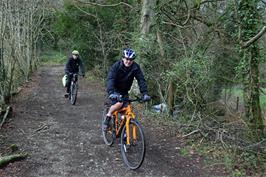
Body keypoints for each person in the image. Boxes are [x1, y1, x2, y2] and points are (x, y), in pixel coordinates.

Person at [103, 48, 151, 129]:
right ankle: (108, 116)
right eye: (127, 59)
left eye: (131, 59)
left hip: (125, 91)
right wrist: (111, 92)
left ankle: (124, 133)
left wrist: (145, 93)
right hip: (114, 90)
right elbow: (110, 79)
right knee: (119, 103)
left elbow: (141, 80)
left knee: (127, 111)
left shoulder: (135, 67)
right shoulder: (116, 66)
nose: (128, 61)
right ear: (123, 58)